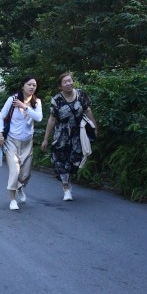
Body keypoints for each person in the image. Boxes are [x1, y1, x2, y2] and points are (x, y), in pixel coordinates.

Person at [40, 72, 98, 202]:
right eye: (65, 82)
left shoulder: (81, 94)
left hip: (78, 134)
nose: (68, 83)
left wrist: (94, 126)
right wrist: (45, 139)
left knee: (75, 161)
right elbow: (52, 119)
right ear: (60, 86)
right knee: (61, 161)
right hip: (62, 135)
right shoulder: (57, 100)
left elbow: (87, 111)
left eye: (70, 81)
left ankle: (68, 179)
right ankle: (66, 188)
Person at [0, 76, 43, 211]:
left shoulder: (36, 102)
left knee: (26, 174)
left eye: (34, 85)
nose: (32, 87)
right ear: (23, 86)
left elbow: (39, 118)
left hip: (28, 142)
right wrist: (0, 134)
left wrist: (24, 107)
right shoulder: (12, 100)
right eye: (29, 84)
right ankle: (12, 199)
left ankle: (20, 186)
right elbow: (1, 117)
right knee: (15, 171)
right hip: (11, 141)